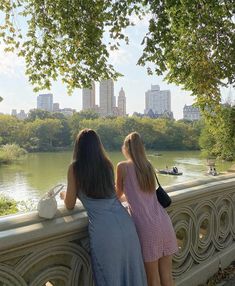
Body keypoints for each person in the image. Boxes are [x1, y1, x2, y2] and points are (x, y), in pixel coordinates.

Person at [60, 129, 147, 286]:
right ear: (98, 145)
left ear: (78, 146)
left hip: (104, 231)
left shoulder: (75, 168)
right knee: (132, 275)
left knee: (110, 278)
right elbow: (112, 193)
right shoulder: (107, 164)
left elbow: (70, 205)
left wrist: (63, 195)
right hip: (126, 225)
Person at [116, 132, 178, 286]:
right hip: (163, 222)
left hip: (146, 227)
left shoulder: (122, 167)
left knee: (152, 279)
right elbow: (142, 194)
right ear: (141, 148)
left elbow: (117, 195)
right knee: (167, 276)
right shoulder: (148, 166)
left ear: (126, 148)